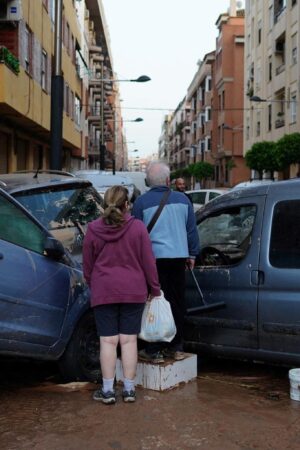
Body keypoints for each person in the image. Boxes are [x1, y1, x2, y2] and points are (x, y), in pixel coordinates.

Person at [83, 185, 160, 405]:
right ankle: (128, 390)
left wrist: (94, 283)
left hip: (104, 289)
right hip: (133, 291)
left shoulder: (93, 229)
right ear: (127, 205)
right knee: (128, 341)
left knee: (107, 341)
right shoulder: (138, 228)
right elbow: (148, 262)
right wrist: (154, 289)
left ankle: (107, 391)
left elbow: (87, 266)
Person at [132, 161, 200, 364]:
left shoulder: (141, 203)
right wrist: (192, 255)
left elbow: (135, 235)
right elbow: (191, 230)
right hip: (178, 258)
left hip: (152, 261)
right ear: (169, 181)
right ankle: (176, 347)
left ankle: (154, 349)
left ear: (147, 182)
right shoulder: (183, 200)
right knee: (177, 302)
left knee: (154, 303)